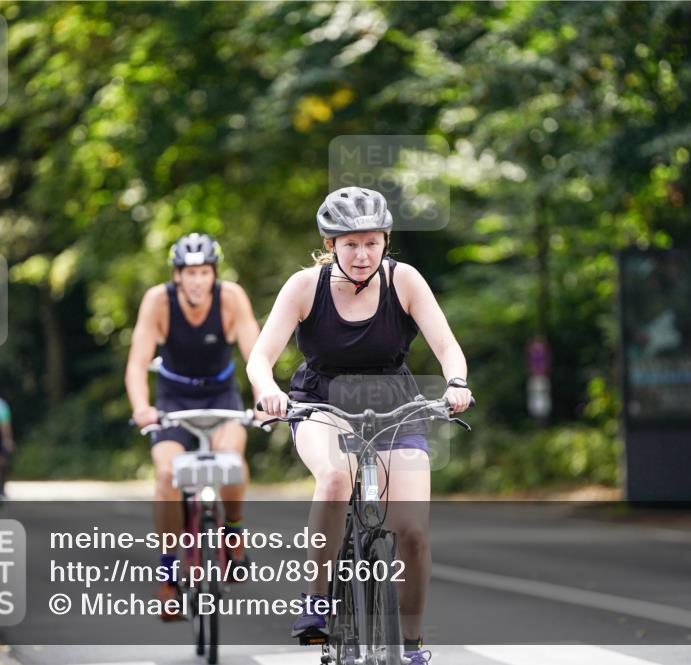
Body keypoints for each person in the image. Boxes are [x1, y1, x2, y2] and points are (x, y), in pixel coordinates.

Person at [247, 187, 472, 664]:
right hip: (321, 406)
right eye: (350, 243)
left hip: (396, 408)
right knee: (334, 478)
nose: (362, 253)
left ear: (385, 240)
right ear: (330, 245)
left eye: (371, 242)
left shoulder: (404, 281)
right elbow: (260, 358)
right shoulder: (304, 287)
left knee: (411, 532)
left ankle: (410, 644)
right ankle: (317, 600)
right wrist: (268, 389)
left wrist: (455, 383)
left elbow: (448, 346)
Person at [125, 232, 261, 620]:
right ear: (177, 275)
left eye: (204, 272)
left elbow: (256, 356)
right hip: (173, 401)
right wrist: (141, 407)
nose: (197, 280)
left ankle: (233, 533)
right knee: (167, 475)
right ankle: (168, 576)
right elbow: (137, 363)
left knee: (231, 458)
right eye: (189, 273)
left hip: (221, 398)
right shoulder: (158, 301)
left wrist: (263, 399)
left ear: (213, 274)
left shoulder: (231, 297)